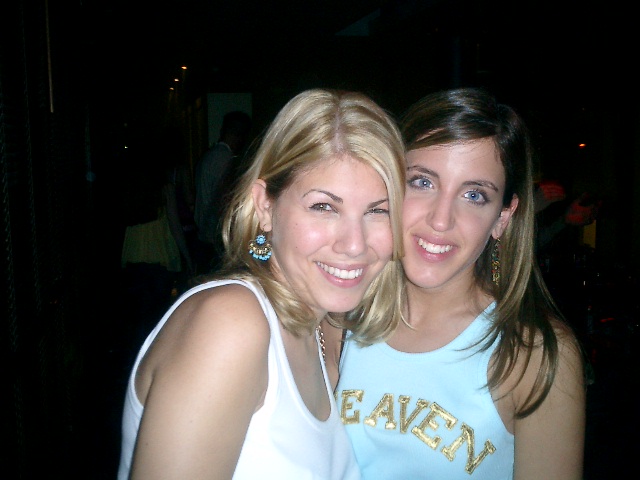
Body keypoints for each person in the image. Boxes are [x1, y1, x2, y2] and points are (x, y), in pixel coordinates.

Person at [117, 88, 406, 479]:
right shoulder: (229, 324)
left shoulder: (325, 327)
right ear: (264, 206)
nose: (355, 244)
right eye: (324, 207)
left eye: (378, 211)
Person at [332, 87, 586, 479]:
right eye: (422, 182)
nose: (441, 220)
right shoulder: (338, 316)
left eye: (474, 195)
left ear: (503, 218)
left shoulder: (532, 354)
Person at [193, 110, 252, 274]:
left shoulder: (207, 156)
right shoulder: (226, 161)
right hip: (215, 235)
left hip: (203, 233)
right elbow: (223, 202)